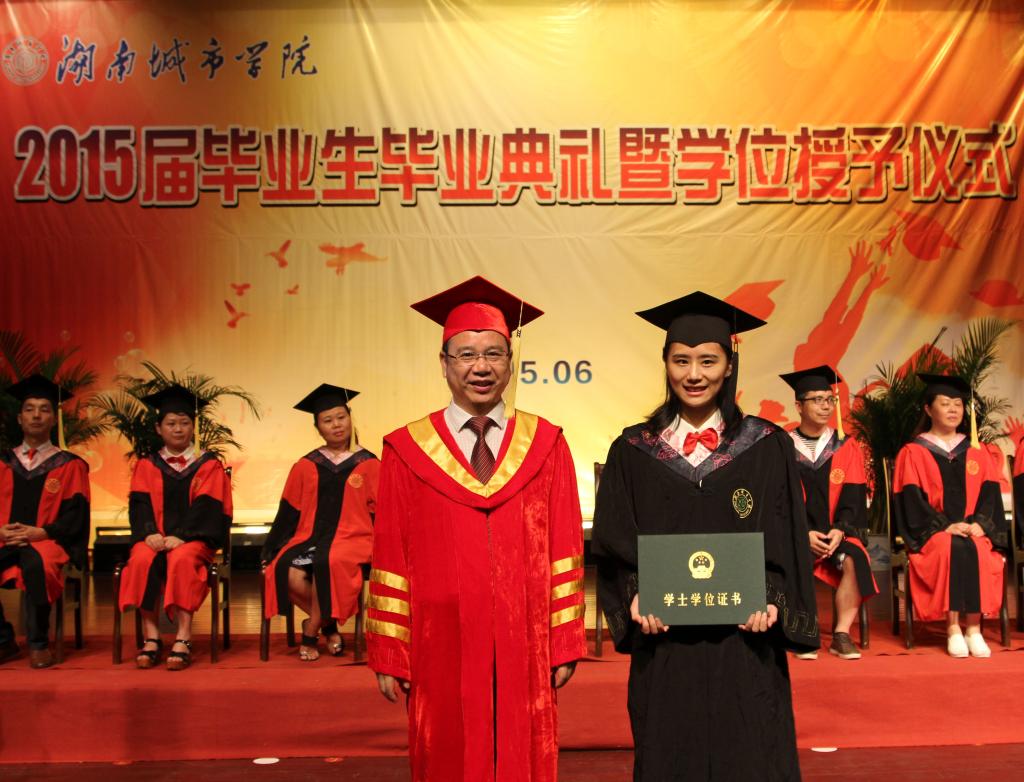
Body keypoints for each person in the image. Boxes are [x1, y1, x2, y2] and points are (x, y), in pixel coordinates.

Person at [592, 291, 818, 782]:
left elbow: (786, 536)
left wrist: (772, 599)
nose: (694, 374)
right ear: (666, 364)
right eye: (681, 361)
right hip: (665, 644)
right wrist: (635, 596)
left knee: (750, 752)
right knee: (671, 752)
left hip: (745, 642)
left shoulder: (766, 446)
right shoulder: (633, 450)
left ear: (729, 365)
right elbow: (613, 541)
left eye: (708, 361)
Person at [366, 276, 585, 782]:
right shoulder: (406, 450)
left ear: (510, 361)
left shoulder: (546, 444)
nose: (480, 367)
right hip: (438, 640)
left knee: (523, 750)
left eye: (493, 354)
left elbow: (565, 548)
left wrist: (565, 639)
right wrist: (391, 650)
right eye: (465, 355)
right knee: (444, 751)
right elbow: (390, 555)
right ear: (443, 362)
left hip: (524, 639)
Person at [117, 384, 233, 670]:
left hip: (194, 541)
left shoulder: (208, 465)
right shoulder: (146, 465)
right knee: (141, 558)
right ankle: (152, 637)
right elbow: (139, 505)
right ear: (159, 428)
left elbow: (209, 507)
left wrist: (181, 536)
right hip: (154, 538)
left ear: (193, 427)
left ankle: (183, 636)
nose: (178, 429)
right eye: (171, 423)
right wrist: (150, 533)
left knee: (181, 558)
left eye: (184, 423)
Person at [261, 384, 379, 660]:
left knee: (330, 561)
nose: (336, 425)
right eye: (327, 420)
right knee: (282, 570)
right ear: (318, 427)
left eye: (341, 417)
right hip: (309, 537)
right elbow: (289, 510)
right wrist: (271, 549)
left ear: (350, 418)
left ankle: (311, 631)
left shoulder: (370, 463)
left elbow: (381, 511)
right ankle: (329, 628)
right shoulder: (306, 465)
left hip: (354, 538)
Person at [892, 373, 1007, 658]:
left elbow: (990, 495)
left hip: (971, 528)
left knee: (978, 547)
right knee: (951, 546)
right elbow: (911, 501)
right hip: (935, 532)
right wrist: (944, 526)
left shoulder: (977, 451)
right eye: (945, 403)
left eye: (958, 404)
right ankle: (954, 628)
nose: (953, 409)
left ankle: (974, 629)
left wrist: (981, 524)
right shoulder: (914, 452)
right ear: (928, 409)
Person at [779, 365, 877, 661]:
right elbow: (778, 498)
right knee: (789, 554)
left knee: (855, 557)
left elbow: (854, 494)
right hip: (796, 533)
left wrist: (840, 529)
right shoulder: (781, 446)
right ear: (799, 406)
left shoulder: (846, 446)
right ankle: (803, 630)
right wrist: (803, 532)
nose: (825, 406)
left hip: (836, 533)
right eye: (817, 400)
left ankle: (841, 634)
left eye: (829, 399)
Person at [0, 375, 90, 668]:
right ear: (19, 418)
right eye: (29, 409)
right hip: (4, 538)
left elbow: (76, 515)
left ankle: (38, 642)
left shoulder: (70, 465)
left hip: (47, 541)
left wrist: (42, 531)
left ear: (53, 418)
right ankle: (3, 639)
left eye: (44, 409)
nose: (36, 415)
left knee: (37, 564)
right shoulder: (3, 462)